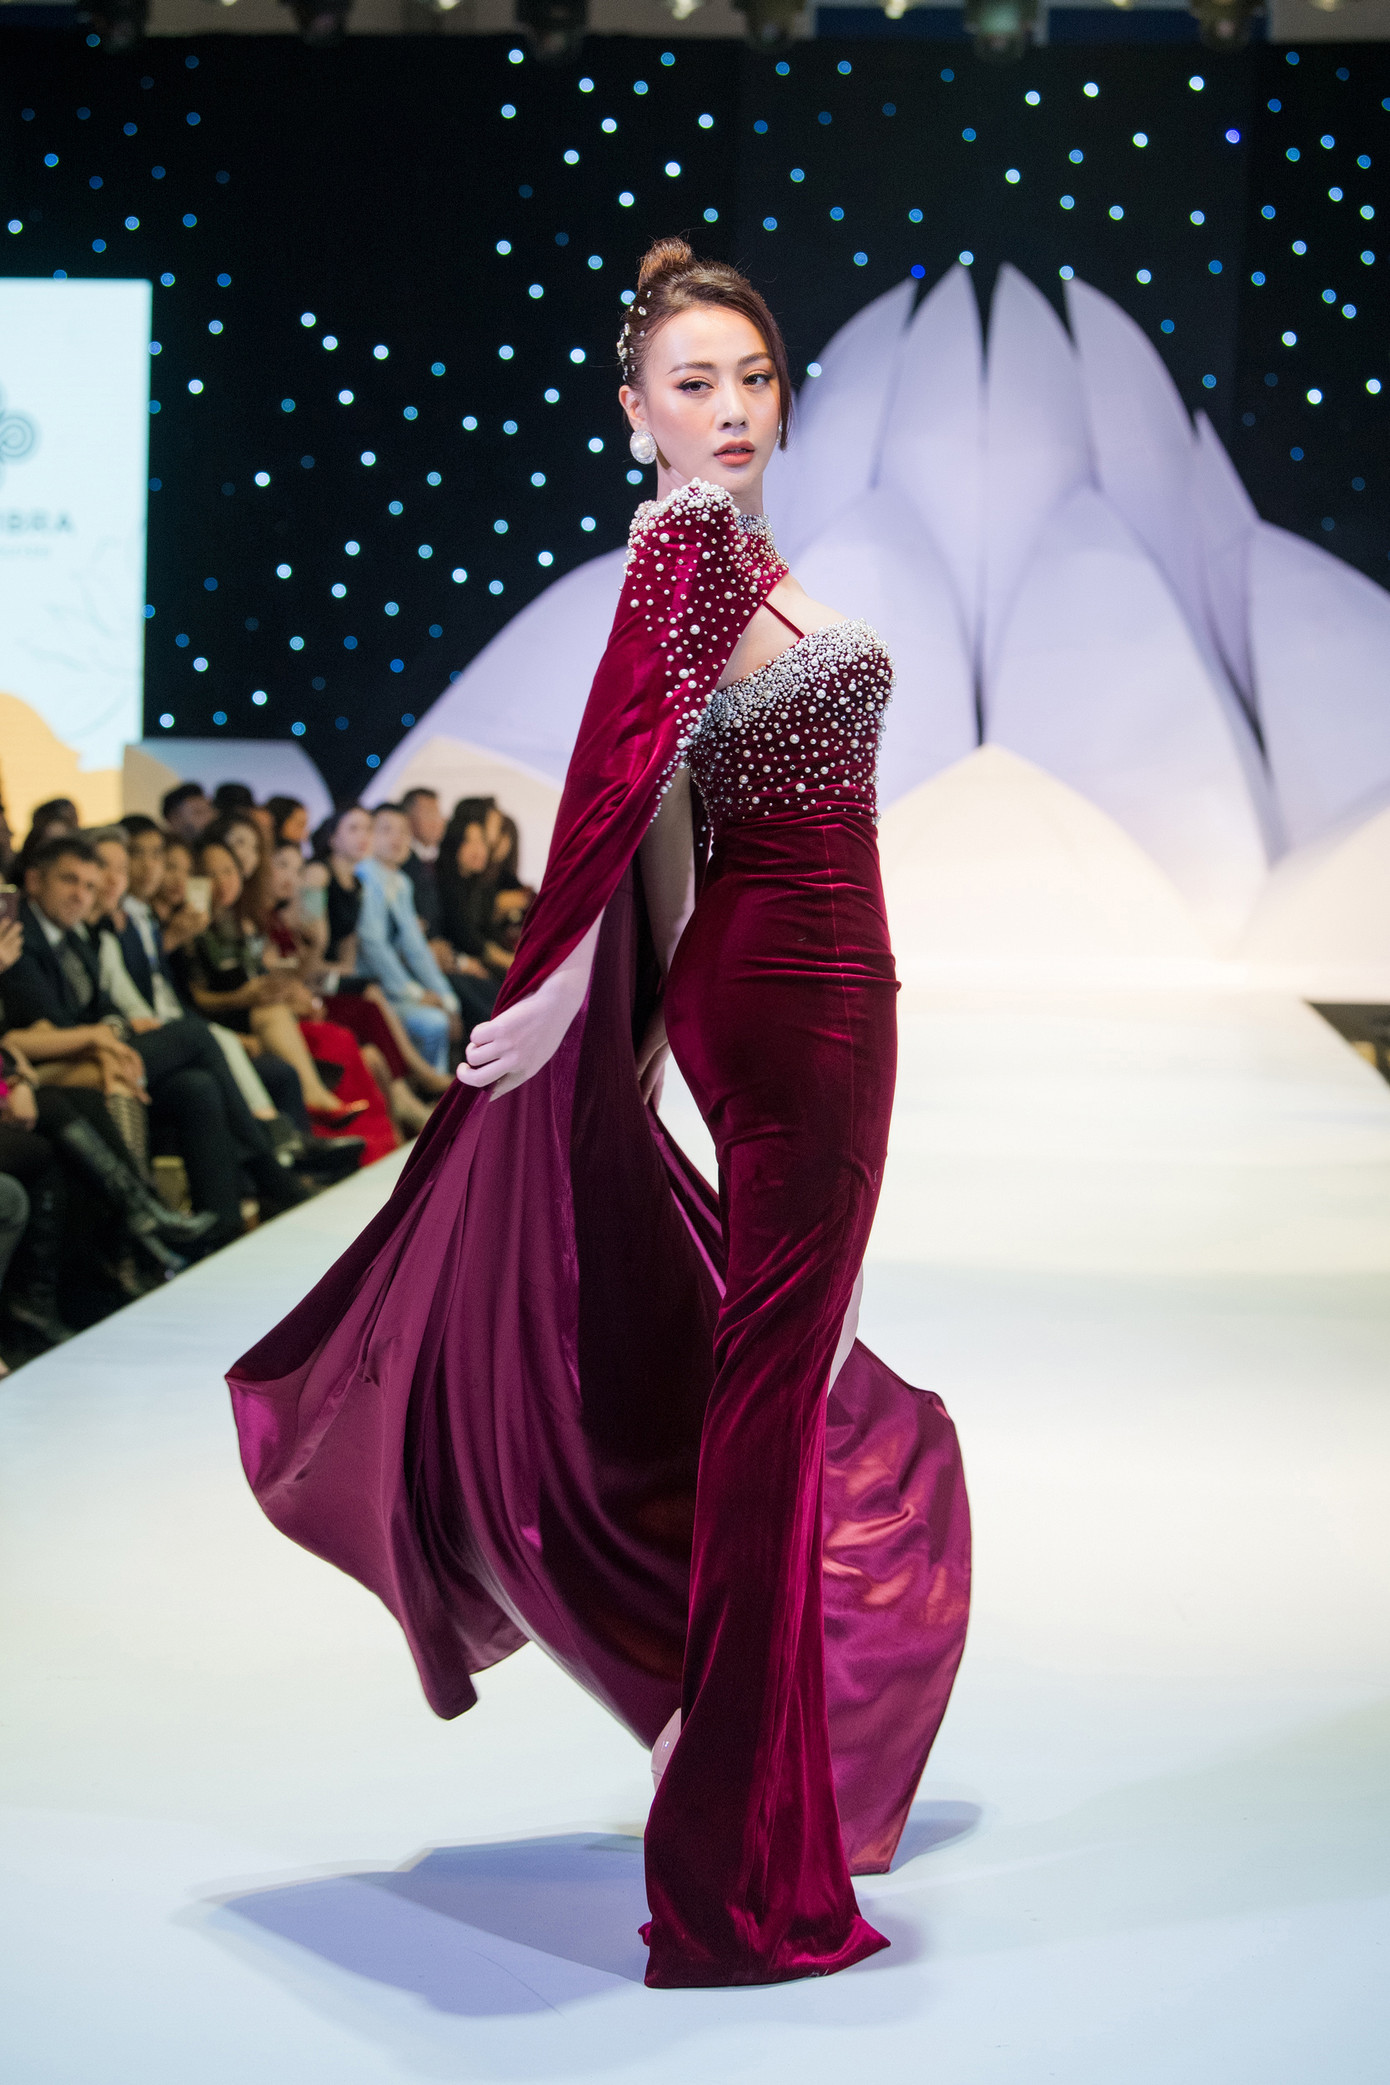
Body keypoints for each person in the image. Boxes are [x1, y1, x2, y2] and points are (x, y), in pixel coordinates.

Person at [229, 239, 970, 1991]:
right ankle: (726, 1849)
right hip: (789, 1000)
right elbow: (617, 782)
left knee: (781, 1374)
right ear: (633, 410)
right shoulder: (684, 552)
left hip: (807, 991)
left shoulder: (741, 560)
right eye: (694, 385)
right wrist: (567, 987)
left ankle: (712, 1742)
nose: (732, 410)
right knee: (773, 1400)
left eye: (754, 378)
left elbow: (669, 797)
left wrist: (626, 1010)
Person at [5, 835, 308, 1245]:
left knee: (196, 1086)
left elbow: (106, 1008)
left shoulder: (72, 935)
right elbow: (46, 1027)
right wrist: (105, 1038)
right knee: (195, 1036)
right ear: (34, 881)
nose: (81, 895)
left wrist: (110, 1035)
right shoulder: (19, 936)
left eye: (89, 885)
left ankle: (222, 1228)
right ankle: (268, 1172)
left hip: (95, 1051)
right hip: (52, 1064)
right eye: (69, 880)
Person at [353, 804, 461, 1073]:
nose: (397, 838)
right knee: (433, 1023)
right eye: (386, 830)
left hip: (394, 985)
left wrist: (446, 996)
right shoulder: (365, 875)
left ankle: (437, 1086)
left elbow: (416, 947)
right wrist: (414, 993)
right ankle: (432, 1087)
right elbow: (372, 944)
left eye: (403, 831)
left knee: (450, 1009)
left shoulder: (401, 881)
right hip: (370, 984)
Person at [399, 787, 444, 939]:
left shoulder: (436, 859)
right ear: (408, 818)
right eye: (429, 814)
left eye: (438, 813)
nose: (437, 821)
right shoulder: (402, 861)